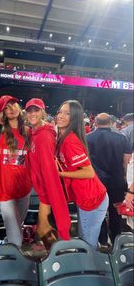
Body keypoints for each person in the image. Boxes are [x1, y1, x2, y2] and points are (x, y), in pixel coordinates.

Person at [56, 100, 108, 249]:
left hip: (92, 199)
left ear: (75, 118)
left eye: (67, 113)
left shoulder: (70, 140)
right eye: (60, 112)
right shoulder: (63, 137)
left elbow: (88, 172)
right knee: (85, 239)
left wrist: (60, 173)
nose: (60, 116)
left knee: (87, 244)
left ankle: (91, 268)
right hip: (86, 197)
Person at [26, 98, 71, 250]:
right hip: (42, 189)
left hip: (47, 191)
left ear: (43, 113)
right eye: (29, 111)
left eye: (36, 110)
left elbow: (49, 170)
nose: (32, 114)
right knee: (47, 228)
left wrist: (51, 195)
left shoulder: (44, 135)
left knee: (43, 229)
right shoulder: (35, 132)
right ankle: (53, 252)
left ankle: (56, 258)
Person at [0, 95, 31, 247]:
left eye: (13, 104)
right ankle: (16, 261)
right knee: (16, 236)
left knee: (17, 225)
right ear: (3, 113)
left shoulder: (28, 131)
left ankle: (8, 245)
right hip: (4, 190)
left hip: (24, 188)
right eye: (6, 107)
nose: (11, 109)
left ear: (19, 107)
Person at [86, 113, 132, 246]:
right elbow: (126, 160)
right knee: (116, 210)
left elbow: (86, 161)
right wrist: (123, 176)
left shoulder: (88, 138)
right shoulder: (121, 138)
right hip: (116, 179)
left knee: (98, 211)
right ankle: (116, 240)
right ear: (111, 122)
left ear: (96, 123)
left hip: (96, 181)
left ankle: (102, 240)